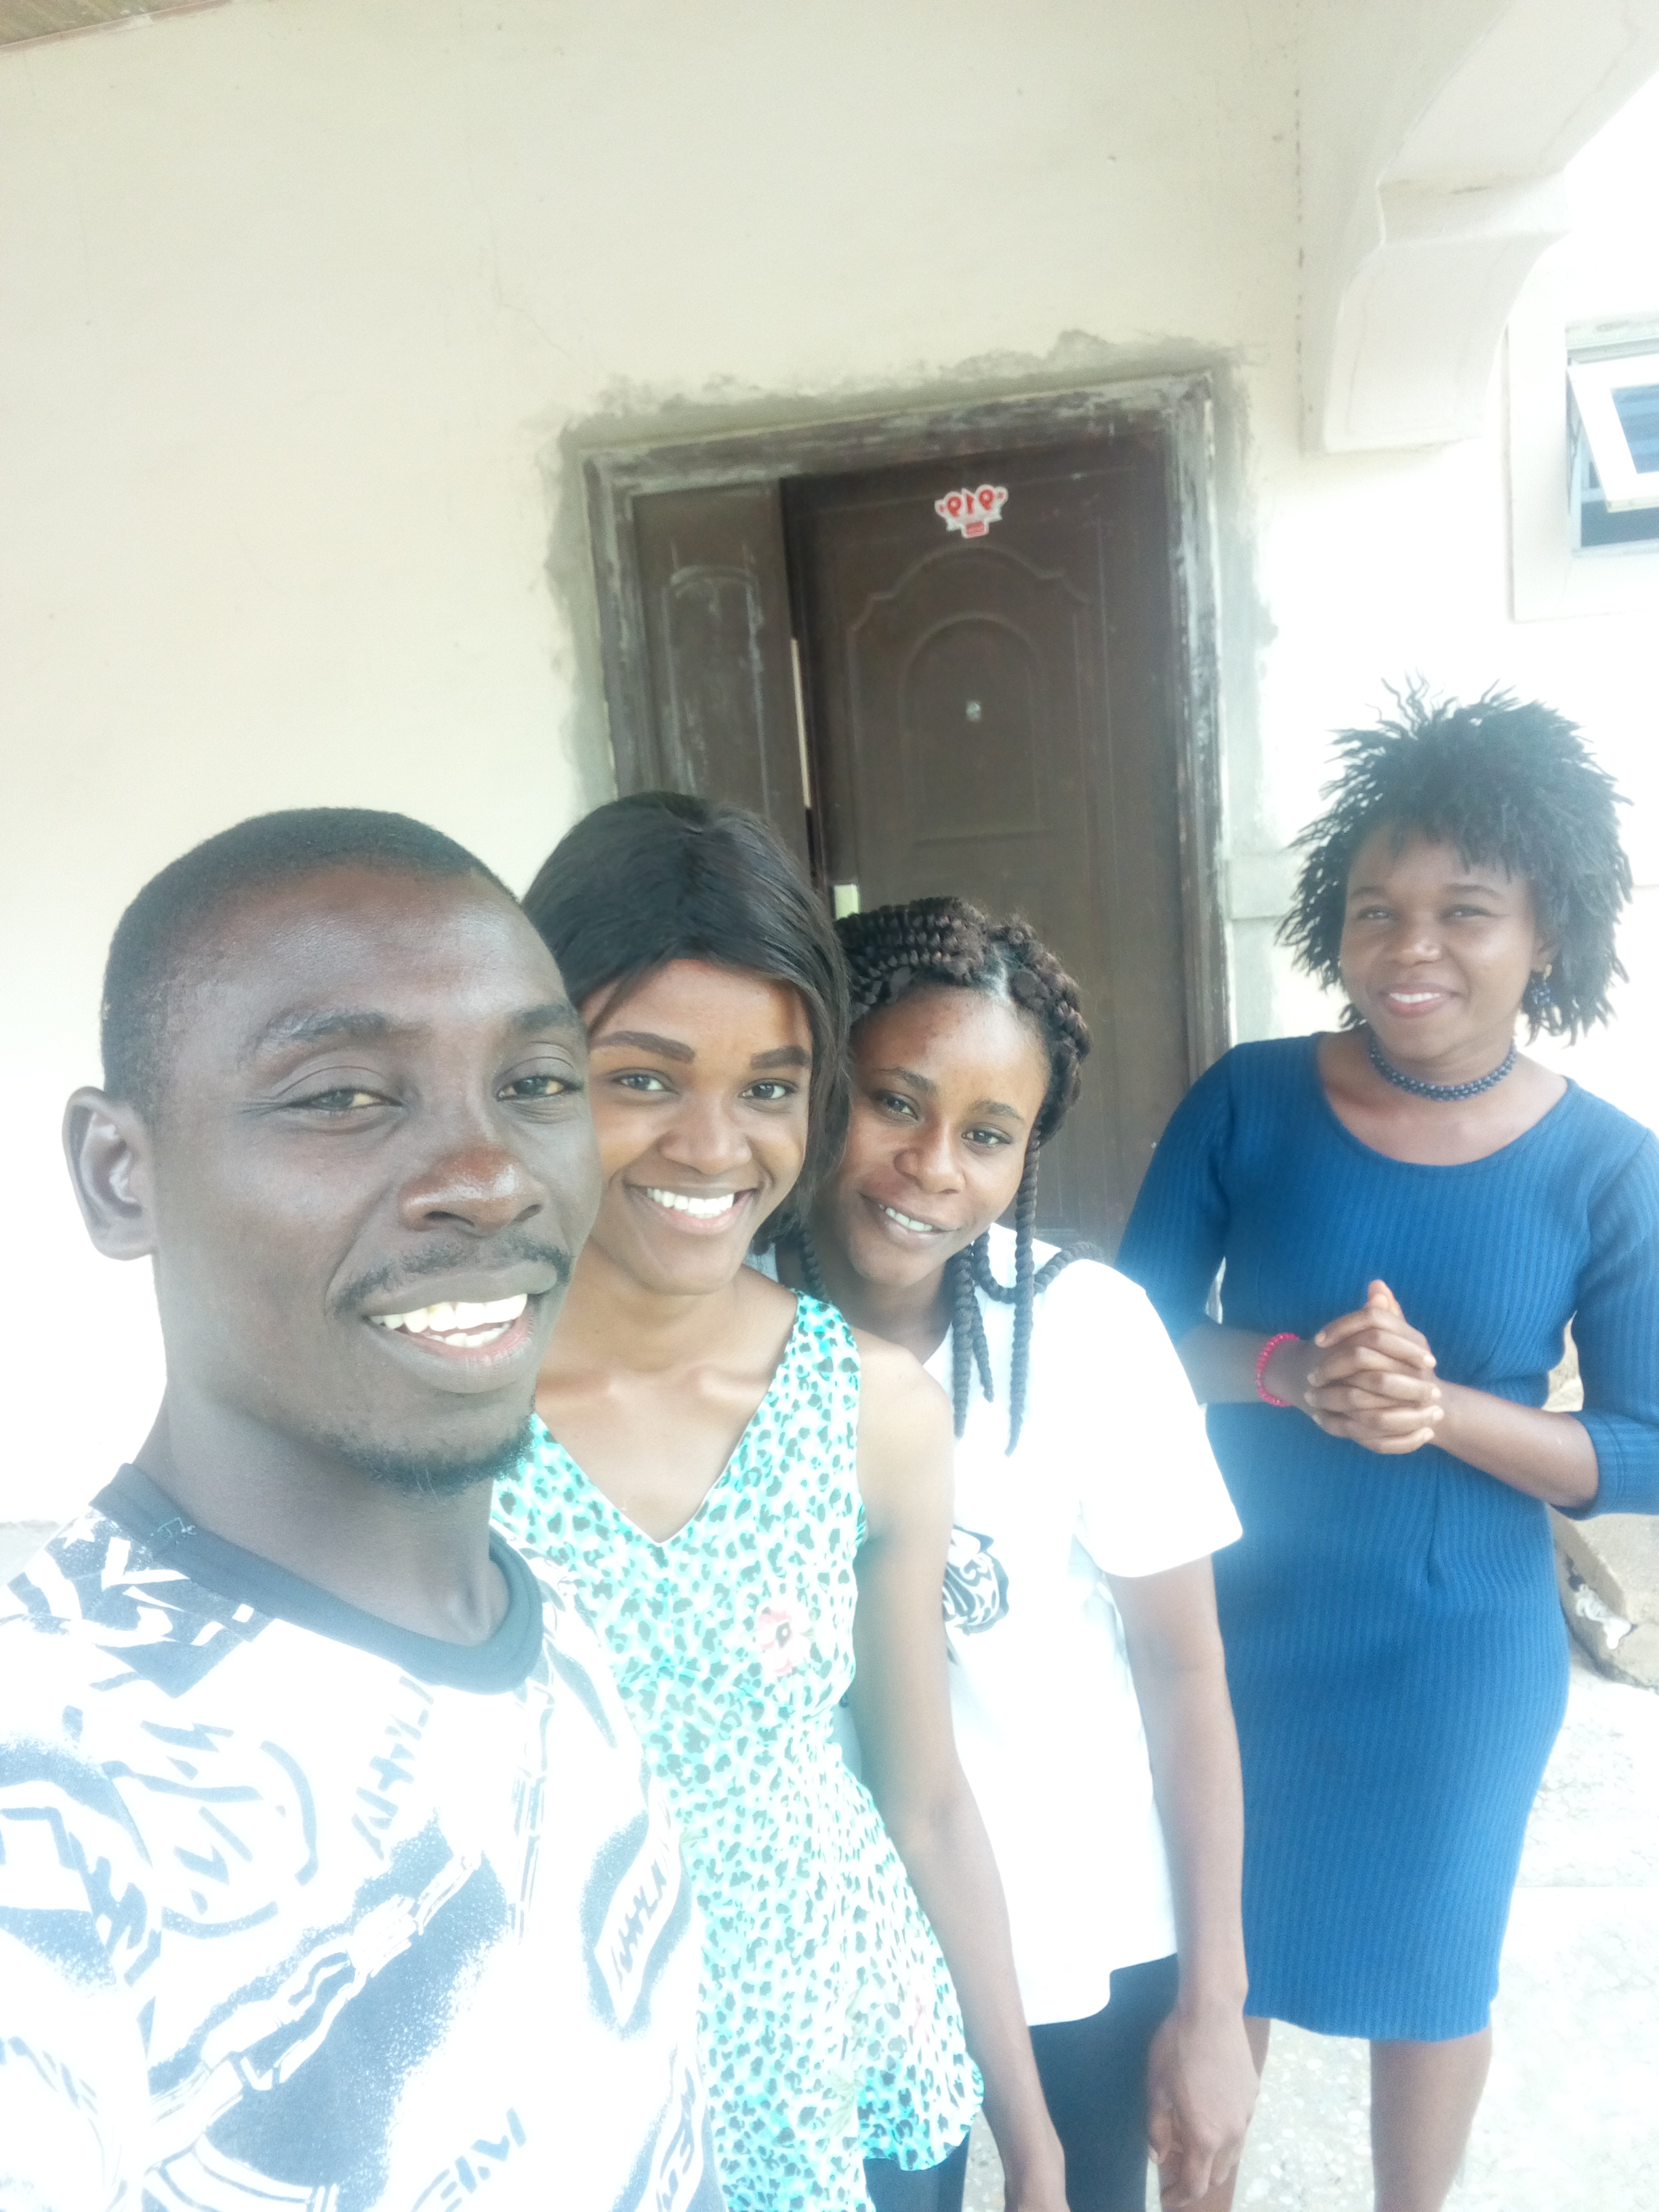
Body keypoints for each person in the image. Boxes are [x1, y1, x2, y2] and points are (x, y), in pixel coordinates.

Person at [1, 809, 724, 2212]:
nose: (493, 1177)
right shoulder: (51, 1800)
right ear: (119, 1173)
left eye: (537, 1082)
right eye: (342, 1097)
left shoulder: (545, 1615)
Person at [1114, 691, 1659, 2211]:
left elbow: (1644, 1450)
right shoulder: (1250, 1098)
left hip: (1457, 1653)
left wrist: (1441, 1413)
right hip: (1232, 1624)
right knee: (1217, 1960)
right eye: (1377, 909)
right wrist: (1290, 1372)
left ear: (1547, 936)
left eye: (1465, 911)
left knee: (1433, 1974)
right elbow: (1125, 1335)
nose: (1411, 947)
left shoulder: (1612, 1169)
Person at [492, 794, 1066, 2212]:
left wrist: (1034, 2135)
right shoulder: (445, 1410)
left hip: (851, 2078)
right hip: (566, 2118)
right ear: (531, 1070)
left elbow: (923, 1796)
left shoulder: (870, 1409)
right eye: (643, 1078)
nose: (712, 1147)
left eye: (769, 1088)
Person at [769, 896, 1256, 2212]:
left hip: (1082, 1921)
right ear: (819, 1081)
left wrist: (1215, 2000)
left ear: (1027, 1154)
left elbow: (1184, 1671)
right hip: (843, 1954)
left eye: (987, 1134)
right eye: (894, 1102)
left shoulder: (1088, 1333)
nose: (933, 1165)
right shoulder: (722, 1334)